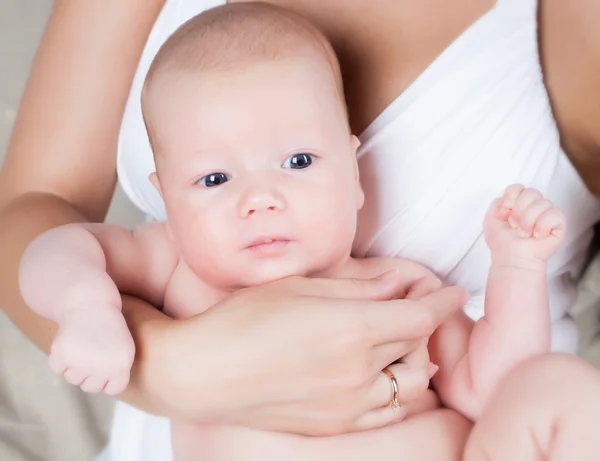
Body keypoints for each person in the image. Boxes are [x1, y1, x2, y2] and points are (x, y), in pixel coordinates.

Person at [0, 0, 599, 459]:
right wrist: (87, 308)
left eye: (299, 163)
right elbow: (59, 242)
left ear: (356, 175)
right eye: (213, 180)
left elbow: (488, 388)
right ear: (166, 201)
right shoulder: (175, 265)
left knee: (562, 392)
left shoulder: (400, 289)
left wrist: (517, 270)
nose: (261, 199)